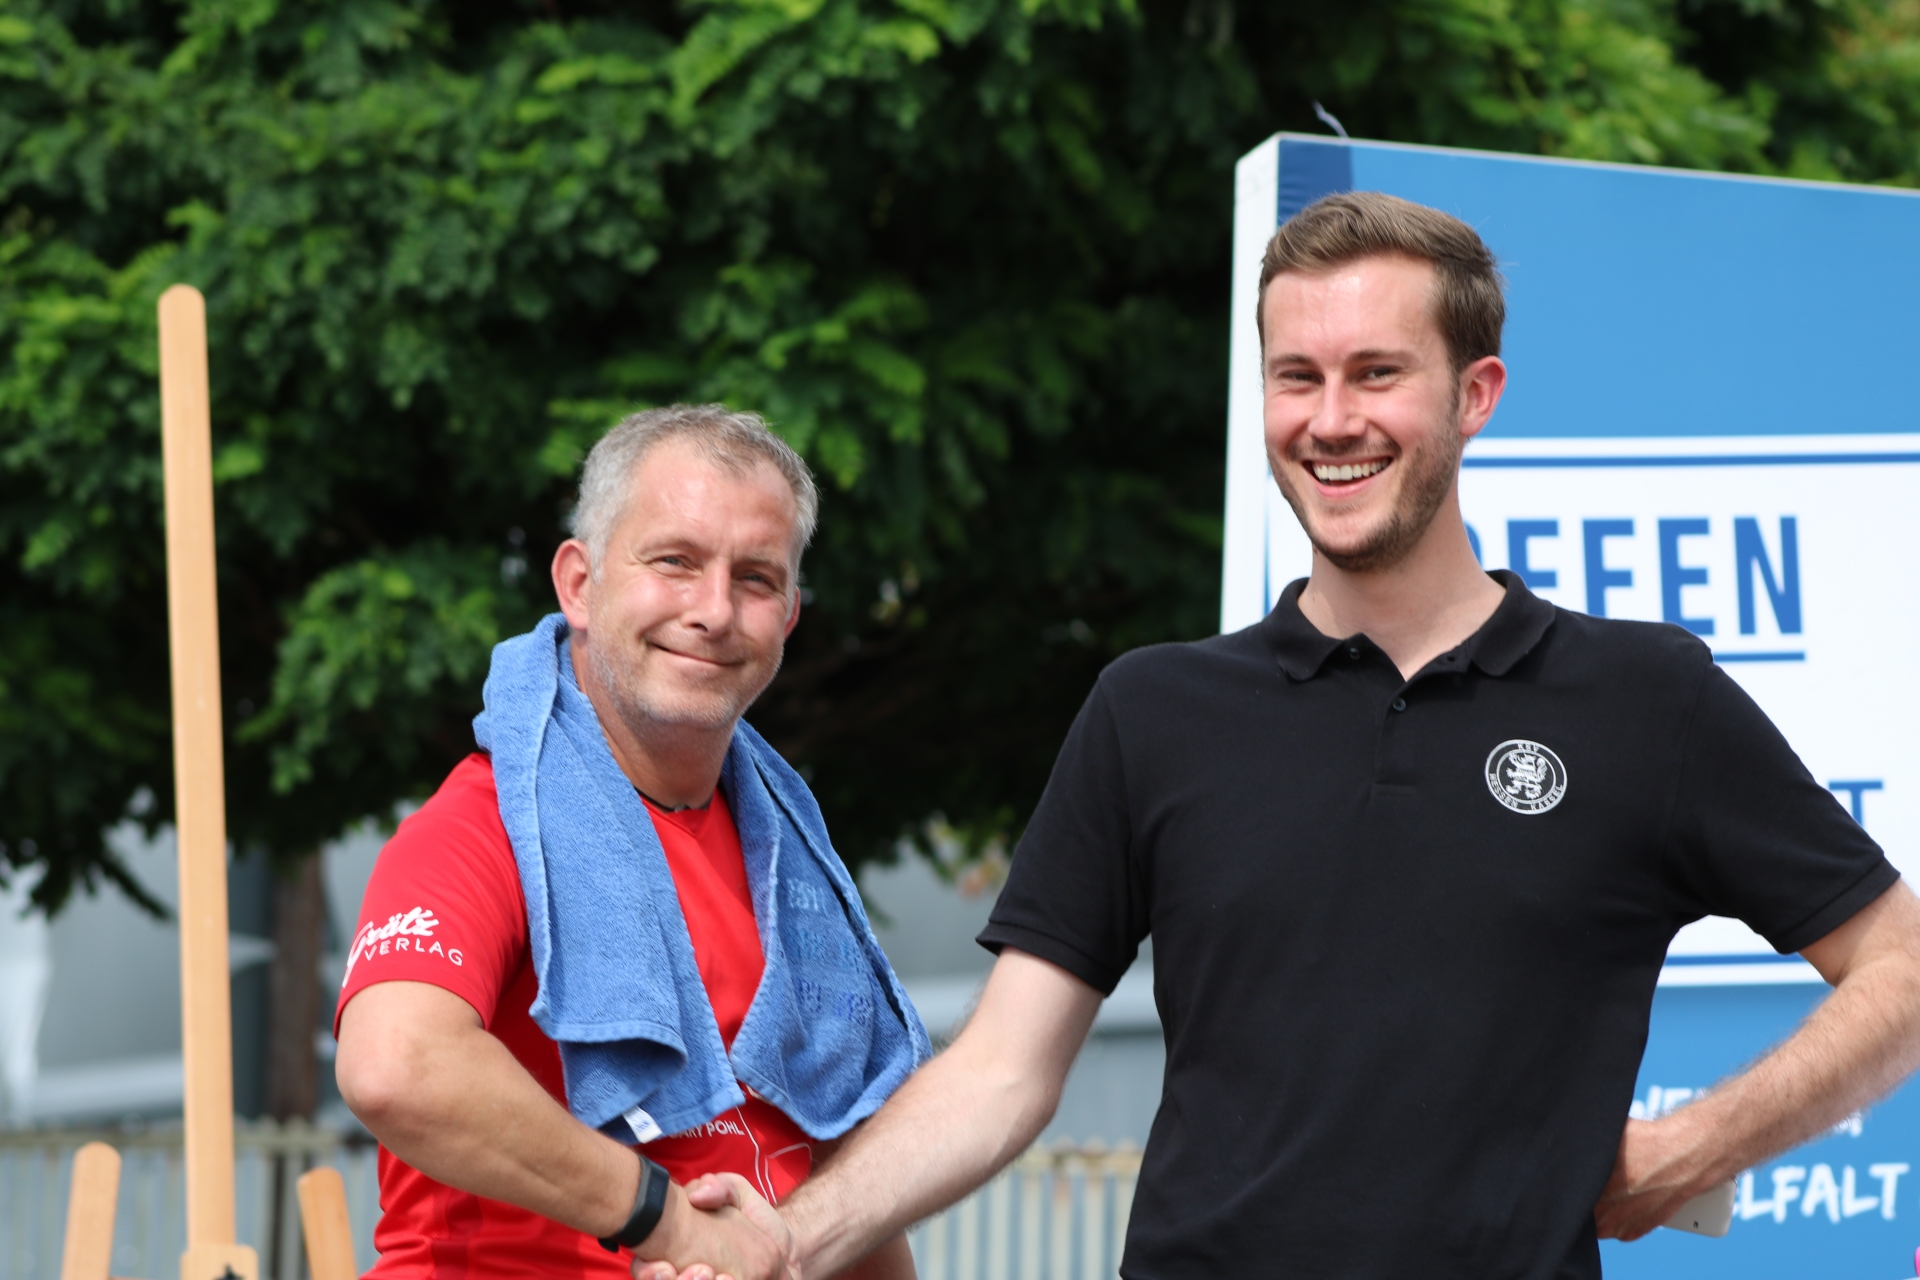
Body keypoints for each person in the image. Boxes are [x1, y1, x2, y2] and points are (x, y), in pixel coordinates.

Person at [662, 192, 1920, 1278]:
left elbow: (1900, 967)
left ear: (1475, 394)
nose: (1331, 419)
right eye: (1296, 376)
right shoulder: (1153, 709)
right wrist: (787, 1238)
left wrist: (1694, 1146)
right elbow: (1002, 1069)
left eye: (1377, 373)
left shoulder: (1644, 695)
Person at [333, 405, 927, 1280]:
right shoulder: (482, 824)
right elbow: (396, 1065)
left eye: (756, 579)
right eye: (675, 561)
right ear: (579, 583)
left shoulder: (788, 857)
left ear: (790, 617)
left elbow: (831, 1142)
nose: (714, 611)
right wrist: (668, 1225)